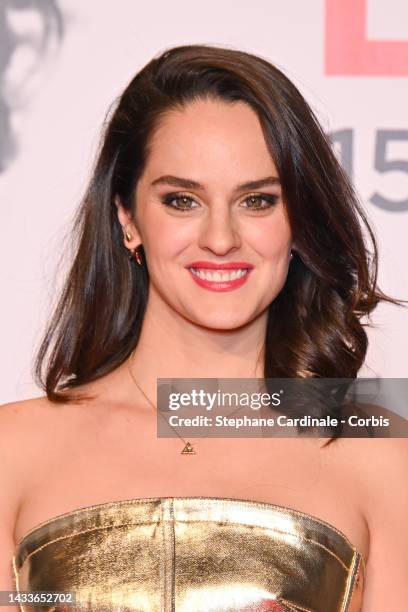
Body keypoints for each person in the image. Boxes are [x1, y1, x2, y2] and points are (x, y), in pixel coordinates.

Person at [1, 44, 407, 611]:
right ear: (127, 218)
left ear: (298, 223)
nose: (220, 239)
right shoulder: (11, 451)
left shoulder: (381, 452)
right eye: (183, 199)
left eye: (258, 200)